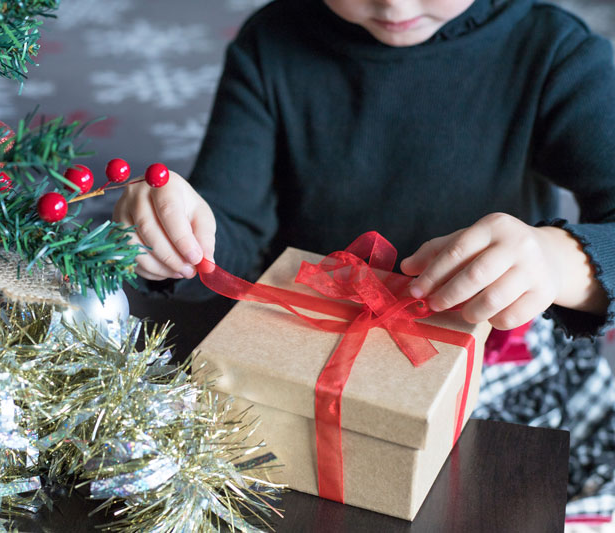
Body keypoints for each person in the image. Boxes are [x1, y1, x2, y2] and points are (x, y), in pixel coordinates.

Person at [114, 0, 615, 518]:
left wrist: (558, 261)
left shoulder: (555, 52)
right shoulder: (273, 44)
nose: (393, 2)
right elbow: (233, 243)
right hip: (305, 361)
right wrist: (181, 241)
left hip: (501, 363)